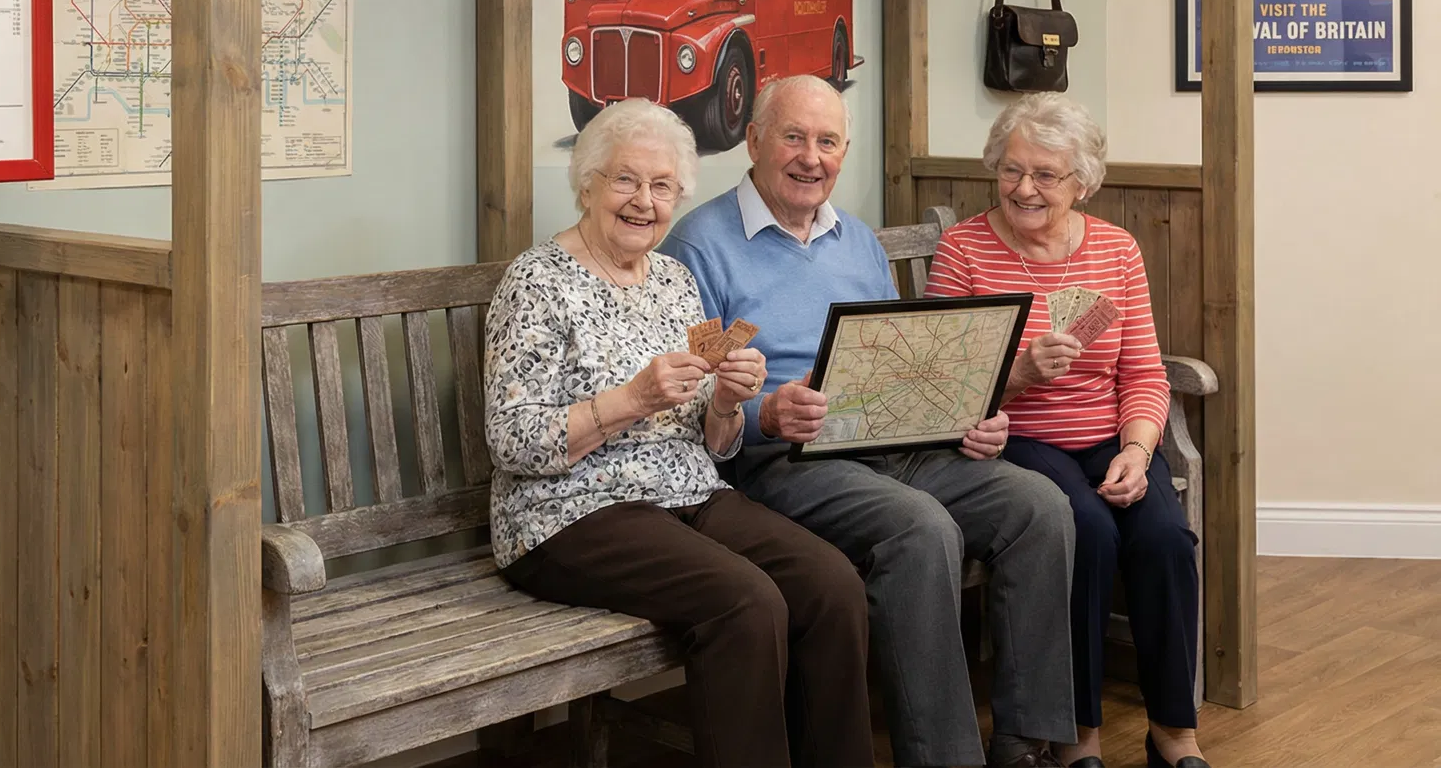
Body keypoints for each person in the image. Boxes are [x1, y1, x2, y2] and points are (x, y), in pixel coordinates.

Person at [660, 75, 1075, 768]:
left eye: (827, 142)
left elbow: (902, 359)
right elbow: (696, 394)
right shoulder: (699, 246)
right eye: (793, 137)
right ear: (754, 140)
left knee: (1040, 507)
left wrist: (964, 418)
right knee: (921, 529)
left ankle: (1024, 744)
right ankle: (944, 759)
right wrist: (769, 413)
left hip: (891, 442)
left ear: (843, 152)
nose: (811, 157)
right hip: (784, 461)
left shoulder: (854, 239)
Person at [485, 97, 874, 768]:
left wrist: (727, 399)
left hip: (688, 493)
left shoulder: (674, 280)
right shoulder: (535, 282)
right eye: (626, 180)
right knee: (745, 602)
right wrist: (629, 400)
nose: (644, 202)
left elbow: (715, 442)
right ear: (589, 183)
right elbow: (514, 442)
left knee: (830, 582)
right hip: (570, 513)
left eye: (662, 186)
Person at [924, 95, 1208, 768]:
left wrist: (1139, 451)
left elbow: (1143, 371)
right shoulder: (964, 251)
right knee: (1088, 531)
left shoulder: (1115, 249)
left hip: (1110, 438)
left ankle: (1175, 729)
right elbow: (940, 391)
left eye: (1045, 175)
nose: (1024, 188)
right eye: (1012, 170)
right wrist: (1020, 373)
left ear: (1081, 181)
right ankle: (1077, 734)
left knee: (1165, 537)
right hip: (1017, 441)